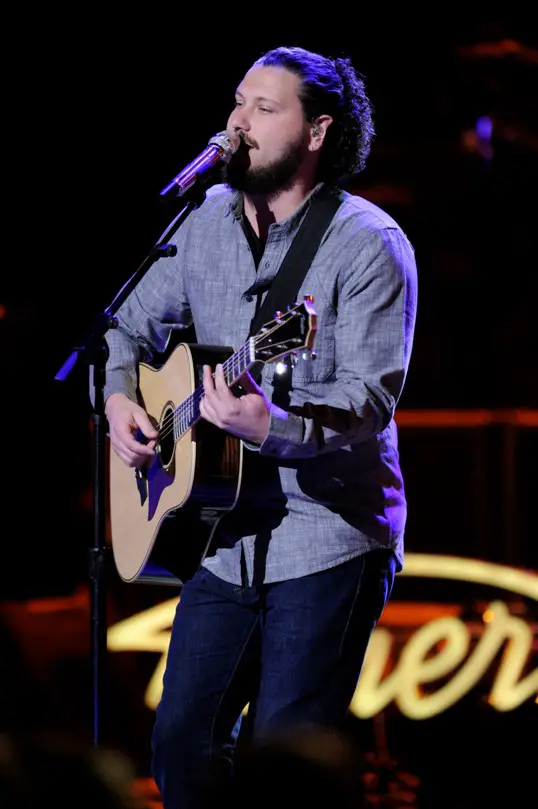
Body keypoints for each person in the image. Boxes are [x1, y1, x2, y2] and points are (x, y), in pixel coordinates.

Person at [102, 45, 418, 808]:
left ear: (316, 132)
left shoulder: (367, 244)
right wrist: (117, 398)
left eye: (264, 109)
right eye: (239, 101)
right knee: (181, 743)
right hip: (224, 536)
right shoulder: (203, 220)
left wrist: (269, 425)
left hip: (329, 536)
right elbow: (121, 327)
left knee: (285, 762)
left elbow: (368, 401)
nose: (237, 122)